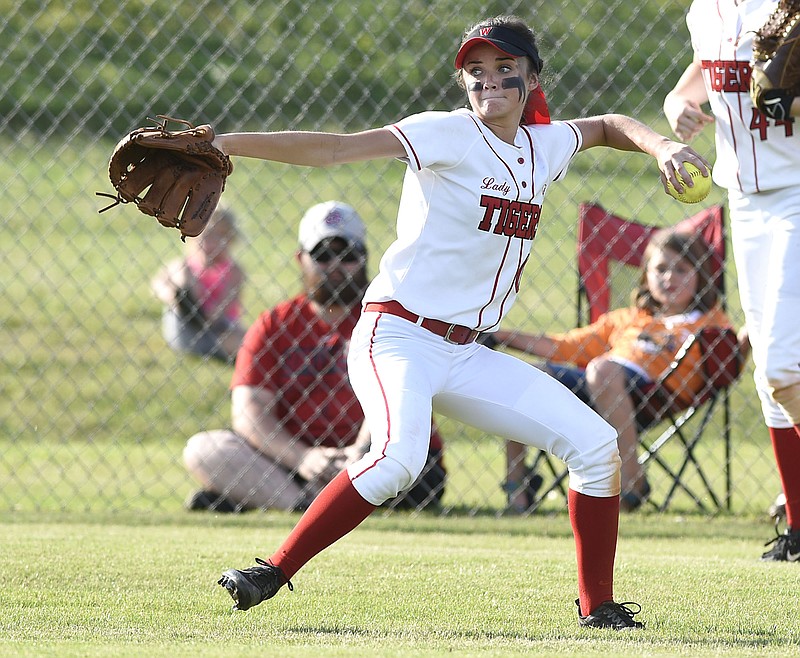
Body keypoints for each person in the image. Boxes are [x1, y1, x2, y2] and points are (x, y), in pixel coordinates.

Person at [212, 15, 709, 630]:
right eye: (476, 71)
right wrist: (226, 144)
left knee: (596, 445)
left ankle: (598, 606)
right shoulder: (446, 134)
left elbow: (608, 127)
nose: (489, 81)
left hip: (465, 352)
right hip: (396, 335)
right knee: (397, 458)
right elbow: (336, 149)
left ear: (531, 79)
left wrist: (663, 146)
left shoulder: (542, 146)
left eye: (505, 69)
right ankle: (274, 570)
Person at [183, 201, 446, 513]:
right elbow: (249, 412)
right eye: (322, 255)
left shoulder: (391, 318)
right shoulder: (274, 325)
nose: (335, 264)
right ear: (301, 259)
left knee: (402, 462)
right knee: (204, 449)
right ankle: (303, 504)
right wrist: (303, 457)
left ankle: (272, 497)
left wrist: (359, 453)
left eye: (347, 254)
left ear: (364, 258)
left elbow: (402, 396)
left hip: (381, 456)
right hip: (298, 462)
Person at [664, 0, 800, 562]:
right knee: (771, 377)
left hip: (797, 191)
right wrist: (678, 104)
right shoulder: (707, 10)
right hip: (744, 201)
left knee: (783, 366)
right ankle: (798, 524)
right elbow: (702, 70)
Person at [490, 230, 733, 512]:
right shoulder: (627, 319)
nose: (669, 278)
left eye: (681, 269)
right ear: (645, 275)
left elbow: (730, 357)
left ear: (701, 275)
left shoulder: (709, 323)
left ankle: (631, 480)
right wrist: (499, 335)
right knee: (525, 379)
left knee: (602, 369)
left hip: (654, 395)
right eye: (661, 269)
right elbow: (566, 347)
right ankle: (517, 491)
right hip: (597, 387)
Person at [150, 205, 246, 363]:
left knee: (243, 338)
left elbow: (222, 310)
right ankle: (187, 301)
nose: (211, 243)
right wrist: (172, 295)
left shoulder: (234, 272)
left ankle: (248, 354)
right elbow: (158, 284)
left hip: (219, 329)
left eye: (219, 236)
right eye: (205, 236)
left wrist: (208, 312)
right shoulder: (185, 267)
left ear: (231, 240)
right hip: (187, 328)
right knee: (181, 271)